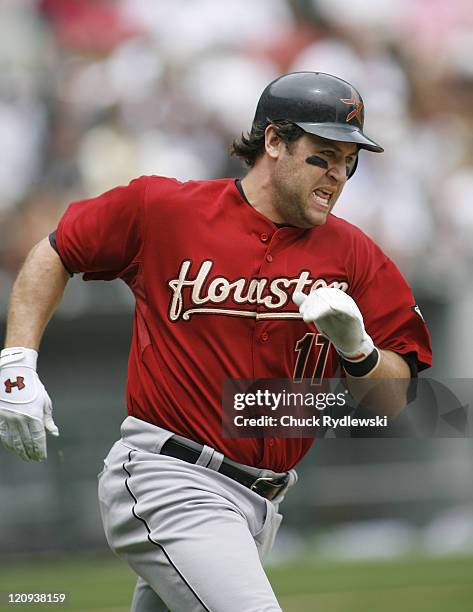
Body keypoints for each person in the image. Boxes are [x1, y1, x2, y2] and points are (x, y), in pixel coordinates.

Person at [0, 72, 432, 611]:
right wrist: (17, 360)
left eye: (350, 160)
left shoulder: (356, 255)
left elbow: (394, 402)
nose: (339, 175)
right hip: (170, 479)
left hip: (261, 503)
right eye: (324, 155)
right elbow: (57, 250)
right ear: (273, 141)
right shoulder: (165, 209)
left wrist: (358, 351)